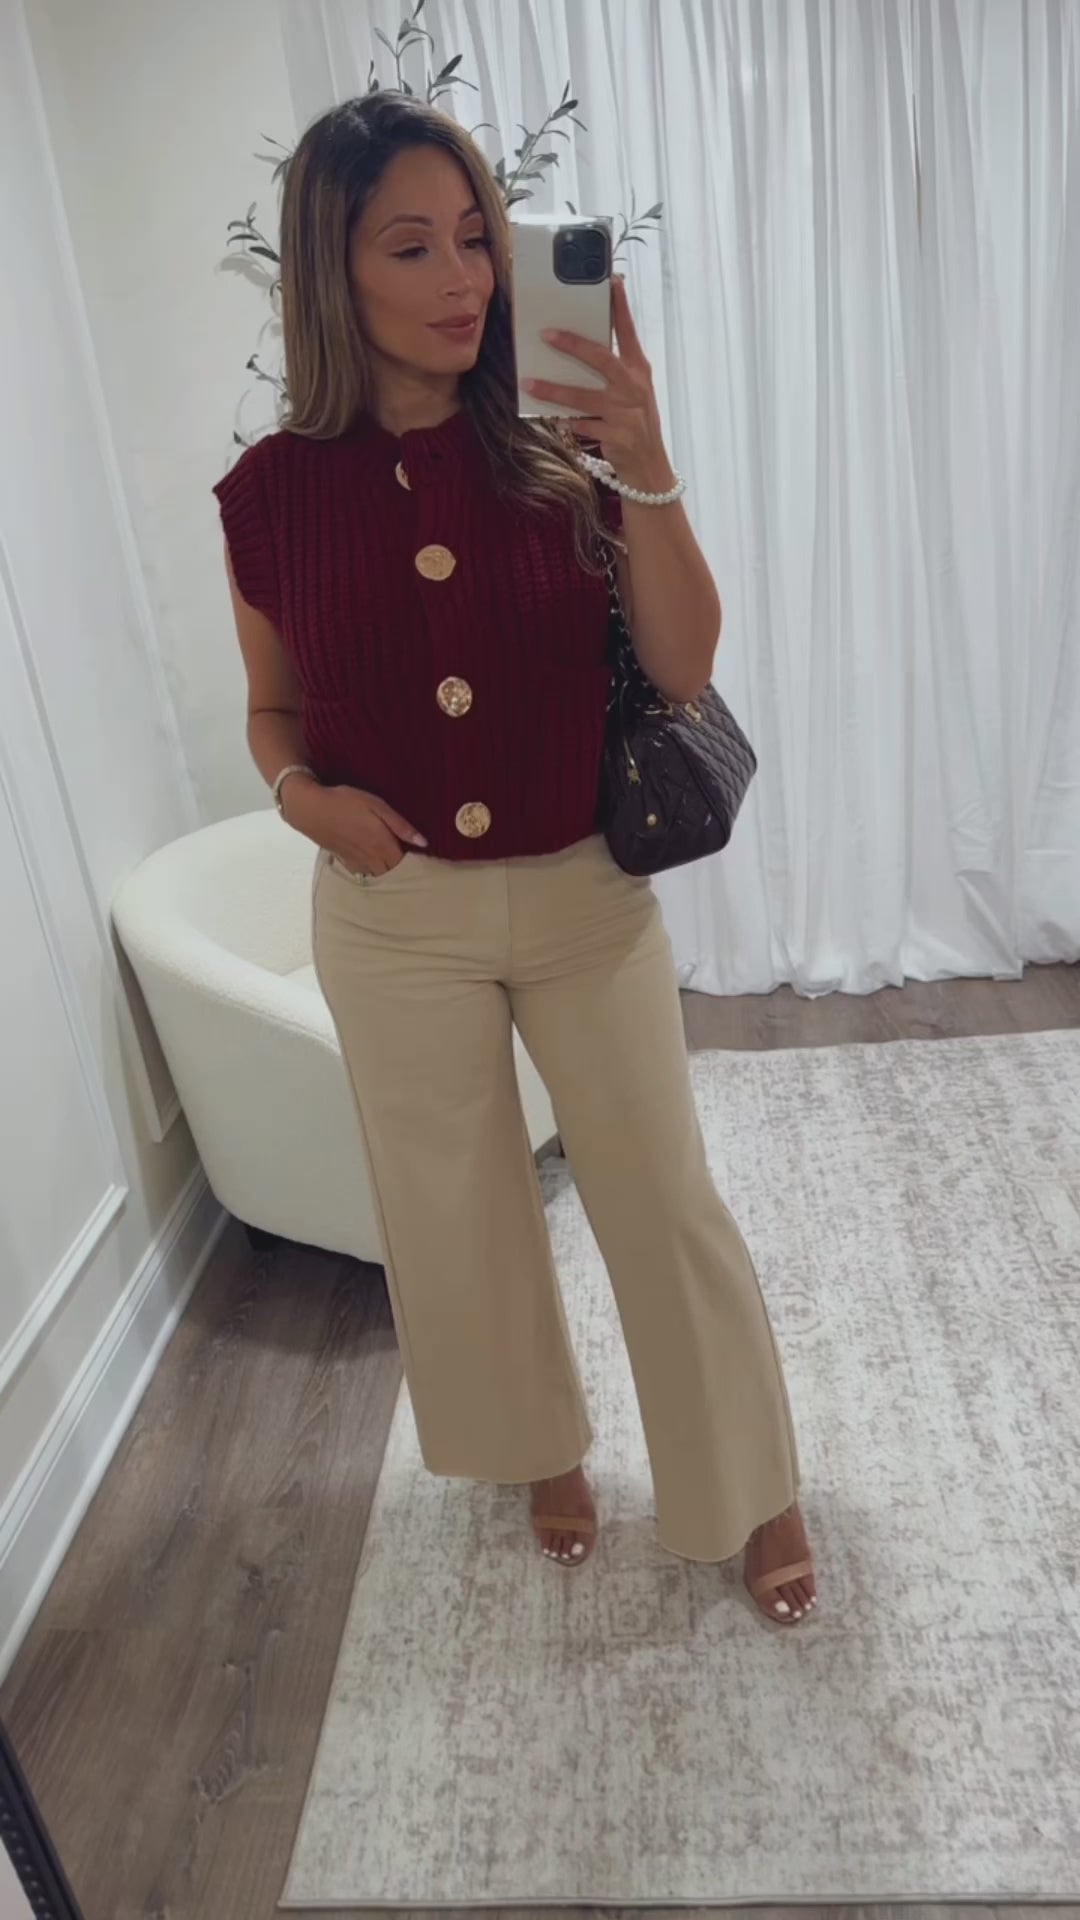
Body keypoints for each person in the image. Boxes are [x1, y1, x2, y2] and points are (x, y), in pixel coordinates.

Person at [213, 92, 817, 1627]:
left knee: (660, 1199)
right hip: (391, 917)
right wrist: (303, 800)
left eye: (476, 237)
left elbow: (681, 668)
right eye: (411, 246)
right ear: (332, 272)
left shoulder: (564, 442)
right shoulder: (268, 496)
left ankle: (750, 1478)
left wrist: (648, 457)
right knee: (454, 1215)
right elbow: (271, 711)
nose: (465, 277)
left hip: (584, 902)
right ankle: (542, 1445)